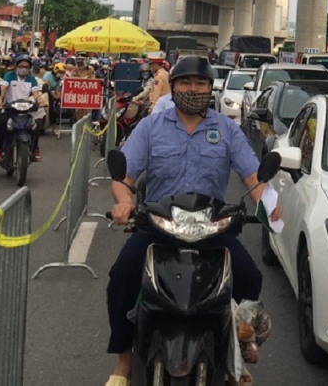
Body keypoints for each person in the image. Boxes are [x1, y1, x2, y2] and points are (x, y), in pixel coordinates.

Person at [104, 56, 278, 386]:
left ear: (210, 89)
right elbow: (124, 176)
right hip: (159, 224)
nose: (193, 89)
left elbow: (253, 175)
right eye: (186, 82)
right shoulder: (152, 126)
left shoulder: (226, 129)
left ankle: (238, 352)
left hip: (210, 226)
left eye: (201, 83)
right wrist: (125, 202)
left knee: (249, 278)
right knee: (122, 276)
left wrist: (268, 204)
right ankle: (123, 361)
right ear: (174, 86)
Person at [0, 56, 43, 163]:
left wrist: (40, 100)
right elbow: (3, 88)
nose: (23, 68)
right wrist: (0, 99)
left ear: (29, 68)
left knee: (36, 125)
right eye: (21, 66)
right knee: (2, 123)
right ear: (16, 66)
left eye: (26, 66)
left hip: (25, 108)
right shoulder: (9, 76)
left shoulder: (31, 79)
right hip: (9, 108)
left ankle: (35, 149)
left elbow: (36, 93)